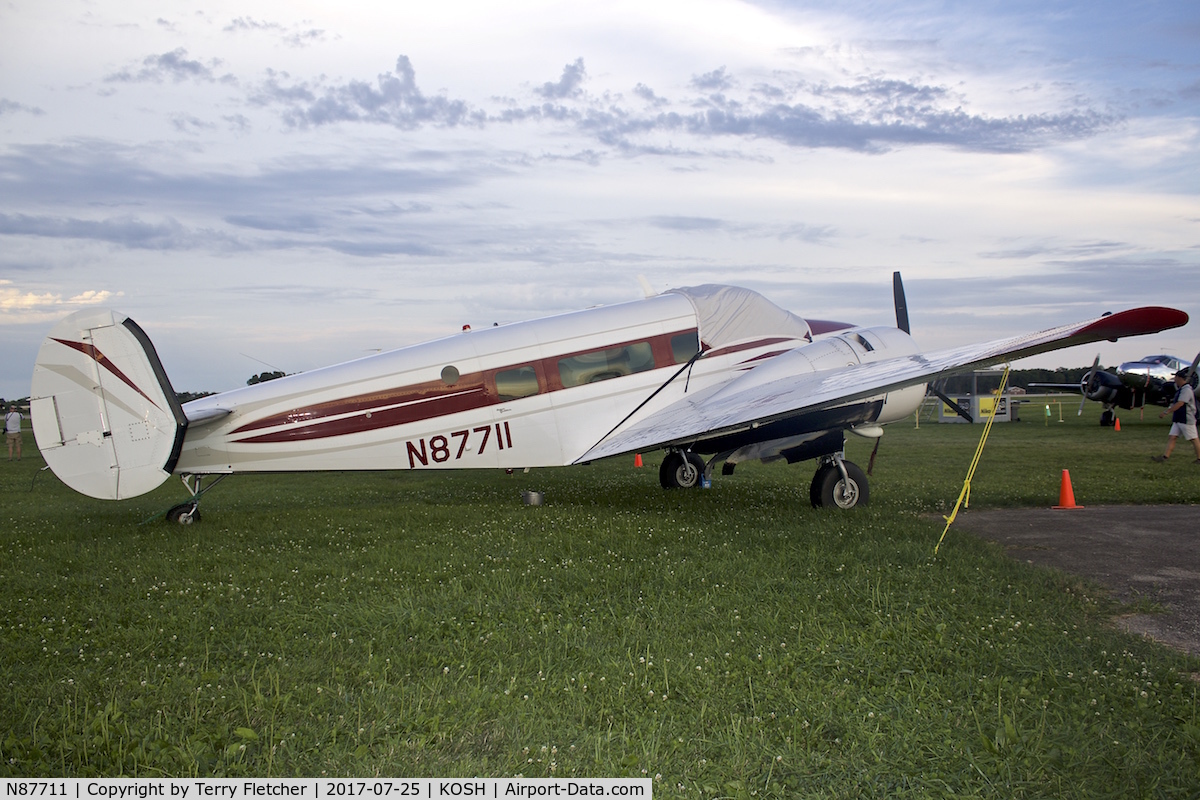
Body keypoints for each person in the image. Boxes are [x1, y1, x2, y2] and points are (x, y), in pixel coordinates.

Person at [1152, 370, 1200, 463]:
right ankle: (1165, 457)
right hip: (1178, 418)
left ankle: (1199, 458)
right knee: (1172, 437)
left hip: (1186, 419)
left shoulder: (1186, 390)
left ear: (1180, 378)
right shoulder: (1181, 389)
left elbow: (1180, 403)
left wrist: (1166, 412)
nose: (1174, 379)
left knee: (1194, 439)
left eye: (1176, 378)